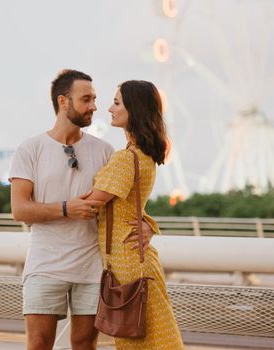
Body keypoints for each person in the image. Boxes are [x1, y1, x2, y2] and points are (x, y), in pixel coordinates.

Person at [8, 69, 158, 350]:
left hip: (93, 267)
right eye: (86, 99)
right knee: (38, 343)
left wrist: (148, 224)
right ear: (63, 102)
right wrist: (67, 209)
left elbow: (124, 198)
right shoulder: (30, 149)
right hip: (45, 266)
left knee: (85, 343)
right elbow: (20, 209)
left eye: (95, 98)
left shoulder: (104, 151)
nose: (94, 106)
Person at [84, 80, 184, 349]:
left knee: (136, 341)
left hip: (127, 263)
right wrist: (148, 223)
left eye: (116, 103)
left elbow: (91, 203)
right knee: (157, 336)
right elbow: (132, 204)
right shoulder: (144, 156)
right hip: (139, 261)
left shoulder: (126, 159)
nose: (109, 109)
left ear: (134, 109)